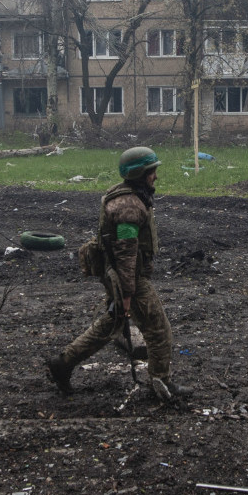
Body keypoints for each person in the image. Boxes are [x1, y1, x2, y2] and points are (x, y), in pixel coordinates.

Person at [46, 147, 192, 403]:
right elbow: (126, 255)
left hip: (121, 276)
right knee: (158, 330)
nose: (155, 176)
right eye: (151, 171)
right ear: (140, 174)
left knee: (111, 323)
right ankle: (162, 381)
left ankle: (63, 363)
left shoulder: (128, 196)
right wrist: (126, 295)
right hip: (130, 279)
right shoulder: (129, 207)